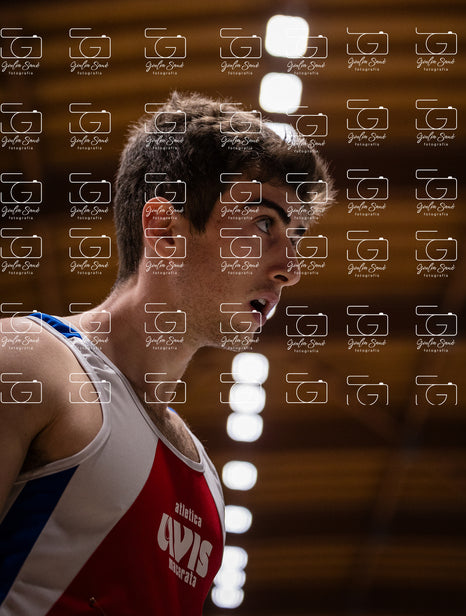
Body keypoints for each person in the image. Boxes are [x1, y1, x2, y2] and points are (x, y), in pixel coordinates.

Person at [0, 91, 332, 615]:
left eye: (297, 237)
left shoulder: (206, 486)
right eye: (264, 223)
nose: (290, 268)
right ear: (164, 230)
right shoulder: (29, 361)